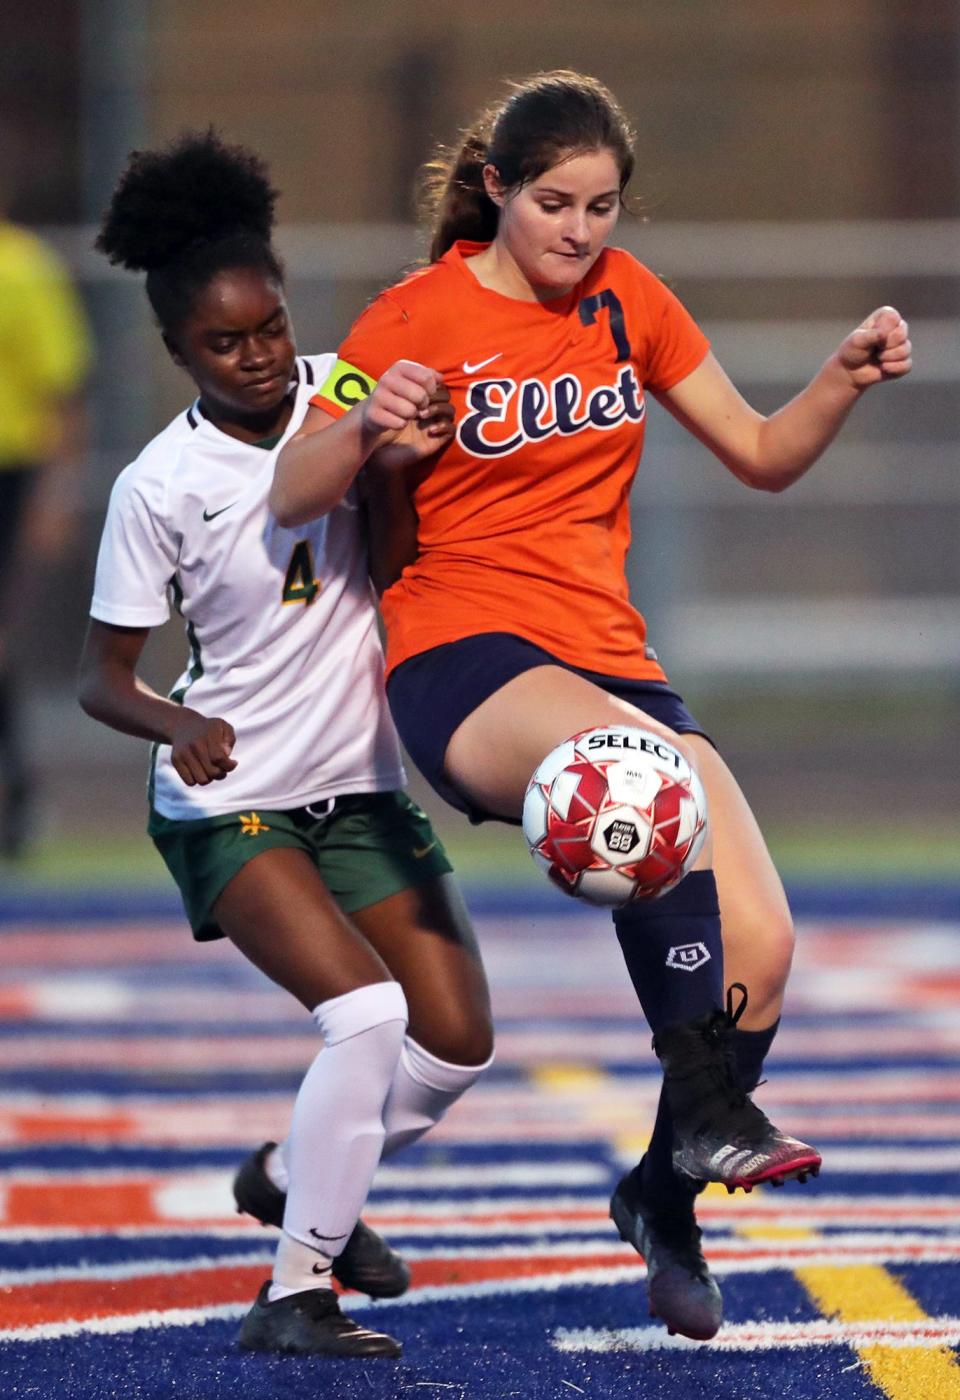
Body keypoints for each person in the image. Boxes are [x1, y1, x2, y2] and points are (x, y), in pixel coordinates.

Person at [269, 71, 912, 1343]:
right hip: (464, 655)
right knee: (642, 779)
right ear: (499, 192)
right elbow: (295, 489)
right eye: (553, 202)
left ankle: (661, 1196)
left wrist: (841, 376)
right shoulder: (417, 314)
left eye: (602, 206)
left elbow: (765, 455)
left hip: (608, 658)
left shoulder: (629, 302)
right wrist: (362, 426)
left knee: (767, 944)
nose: (578, 229)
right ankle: (713, 1107)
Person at [77, 131, 495, 1359]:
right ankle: (296, 1290)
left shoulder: (343, 390)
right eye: (223, 341)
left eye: (267, 326)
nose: (256, 355)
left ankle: (284, 1177)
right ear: (176, 351)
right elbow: (101, 681)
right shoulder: (159, 485)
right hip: (234, 797)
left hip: (356, 786)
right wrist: (180, 721)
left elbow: (399, 502)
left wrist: (402, 459)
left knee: (457, 1045)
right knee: (363, 1018)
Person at [0, 162, 93, 856]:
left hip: (11, 473)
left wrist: (54, 496)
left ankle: (19, 803)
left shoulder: (23, 269)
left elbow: (64, 393)